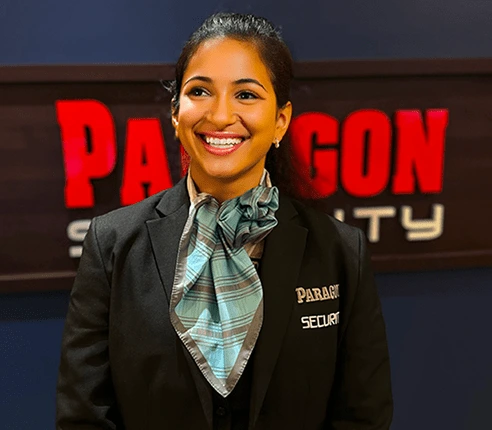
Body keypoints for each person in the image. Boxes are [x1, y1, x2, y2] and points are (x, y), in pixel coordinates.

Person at [56, 12, 393, 430]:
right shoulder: (111, 243)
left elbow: (363, 416)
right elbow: (84, 416)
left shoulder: (341, 250)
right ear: (176, 113)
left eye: (246, 95)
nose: (219, 116)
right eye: (200, 91)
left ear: (281, 120)